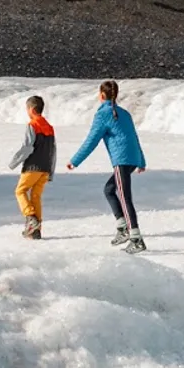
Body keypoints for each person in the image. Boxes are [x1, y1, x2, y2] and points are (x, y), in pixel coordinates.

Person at [67, 80, 148, 254]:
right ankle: (123, 227)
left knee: (125, 198)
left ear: (101, 95)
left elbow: (91, 140)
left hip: (122, 160)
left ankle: (136, 237)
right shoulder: (124, 113)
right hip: (131, 158)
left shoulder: (103, 114)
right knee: (109, 190)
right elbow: (134, 137)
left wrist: (75, 160)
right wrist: (140, 160)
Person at [8, 94, 56, 240]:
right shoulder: (49, 127)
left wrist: (14, 162)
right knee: (35, 196)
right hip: (45, 168)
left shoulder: (33, 125)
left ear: (32, 109)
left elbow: (28, 147)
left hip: (33, 167)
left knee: (20, 191)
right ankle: (35, 230)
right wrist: (51, 171)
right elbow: (53, 150)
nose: (27, 112)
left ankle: (30, 218)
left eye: (27, 109)